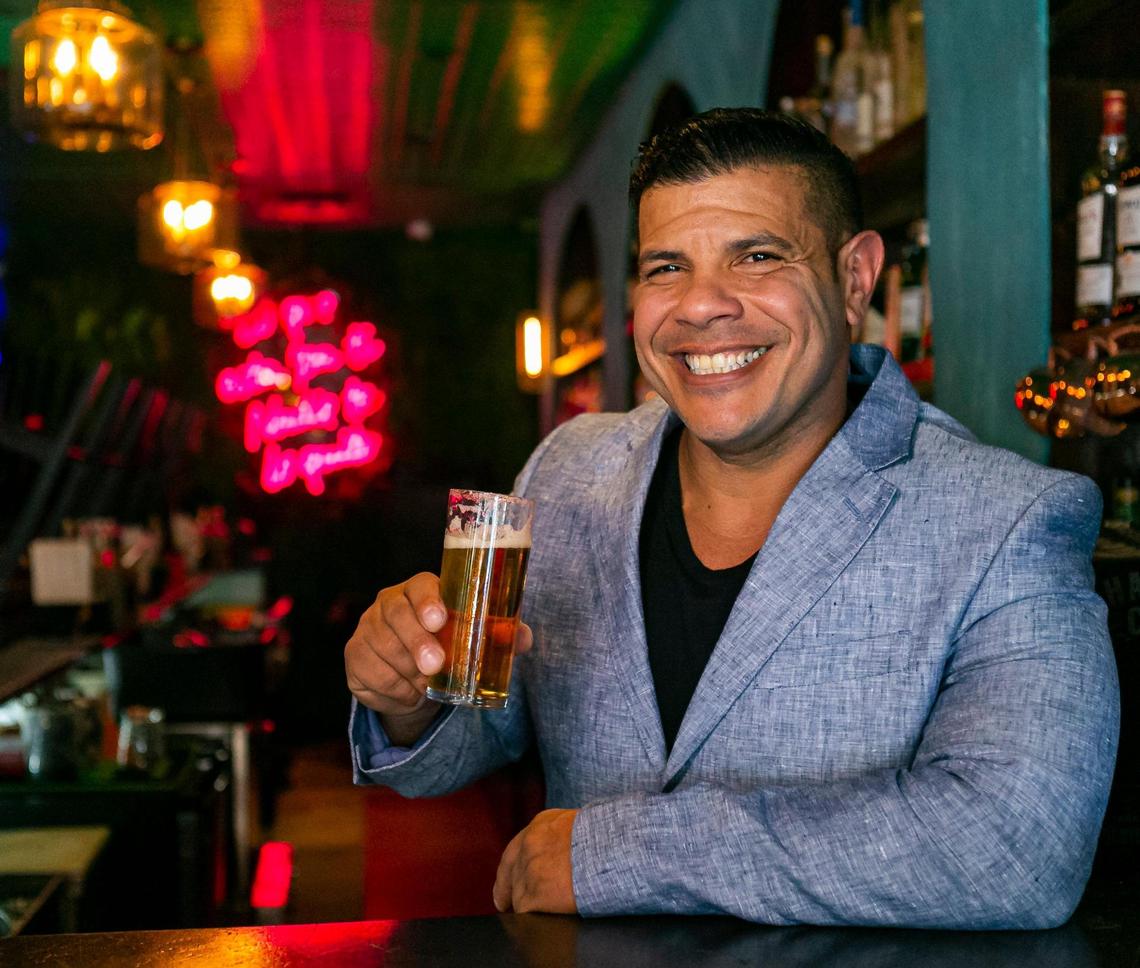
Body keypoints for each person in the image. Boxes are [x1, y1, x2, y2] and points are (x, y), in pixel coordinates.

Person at [345, 108, 1119, 929]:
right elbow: (476, 735)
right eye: (665, 267)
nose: (702, 306)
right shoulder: (568, 471)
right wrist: (409, 699)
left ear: (855, 279)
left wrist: (615, 855)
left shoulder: (1011, 519)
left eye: (756, 256)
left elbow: (1014, 850)